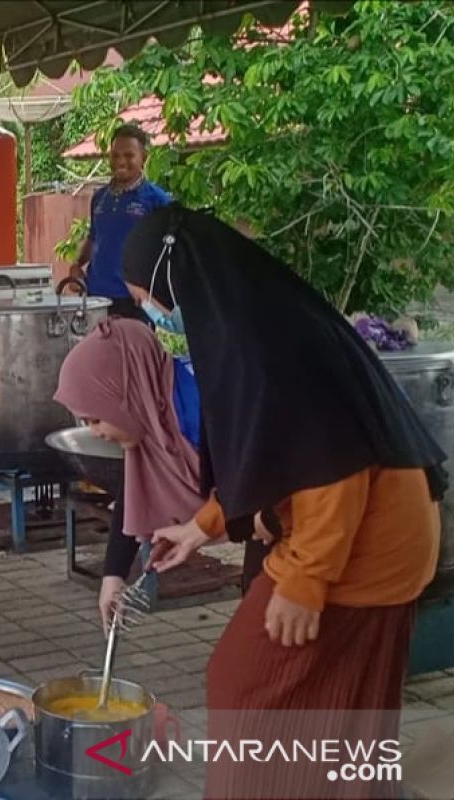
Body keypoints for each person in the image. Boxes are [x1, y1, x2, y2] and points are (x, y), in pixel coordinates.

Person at [128, 204, 444, 798]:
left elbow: (330, 462)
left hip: (363, 542)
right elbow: (274, 455)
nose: (154, 314)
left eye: (147, 296)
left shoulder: (264, 340)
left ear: (178, 278)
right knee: (347, 710)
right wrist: (202, 527)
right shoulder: (258, 320)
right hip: (385, 532)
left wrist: (304, 582)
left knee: (247, 686)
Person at [54, 318, 204, 631]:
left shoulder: (201, 406)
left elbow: (252, 490)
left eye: (95, 419)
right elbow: (134, 491)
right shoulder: (152, 411)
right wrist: (113, 577)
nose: (94, 433)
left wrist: (201, 528)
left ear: (126, 394)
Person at [69, 124, 172, 320]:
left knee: (132, 352)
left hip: (135, 302)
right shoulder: (99, 197)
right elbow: (94, 238)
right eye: (115, 156)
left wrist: (154, 290)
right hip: (96, 299)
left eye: (128, 155)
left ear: (144, 158)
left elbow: (170, 252)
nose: (120, 161)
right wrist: (76, 266)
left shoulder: (157, 200)